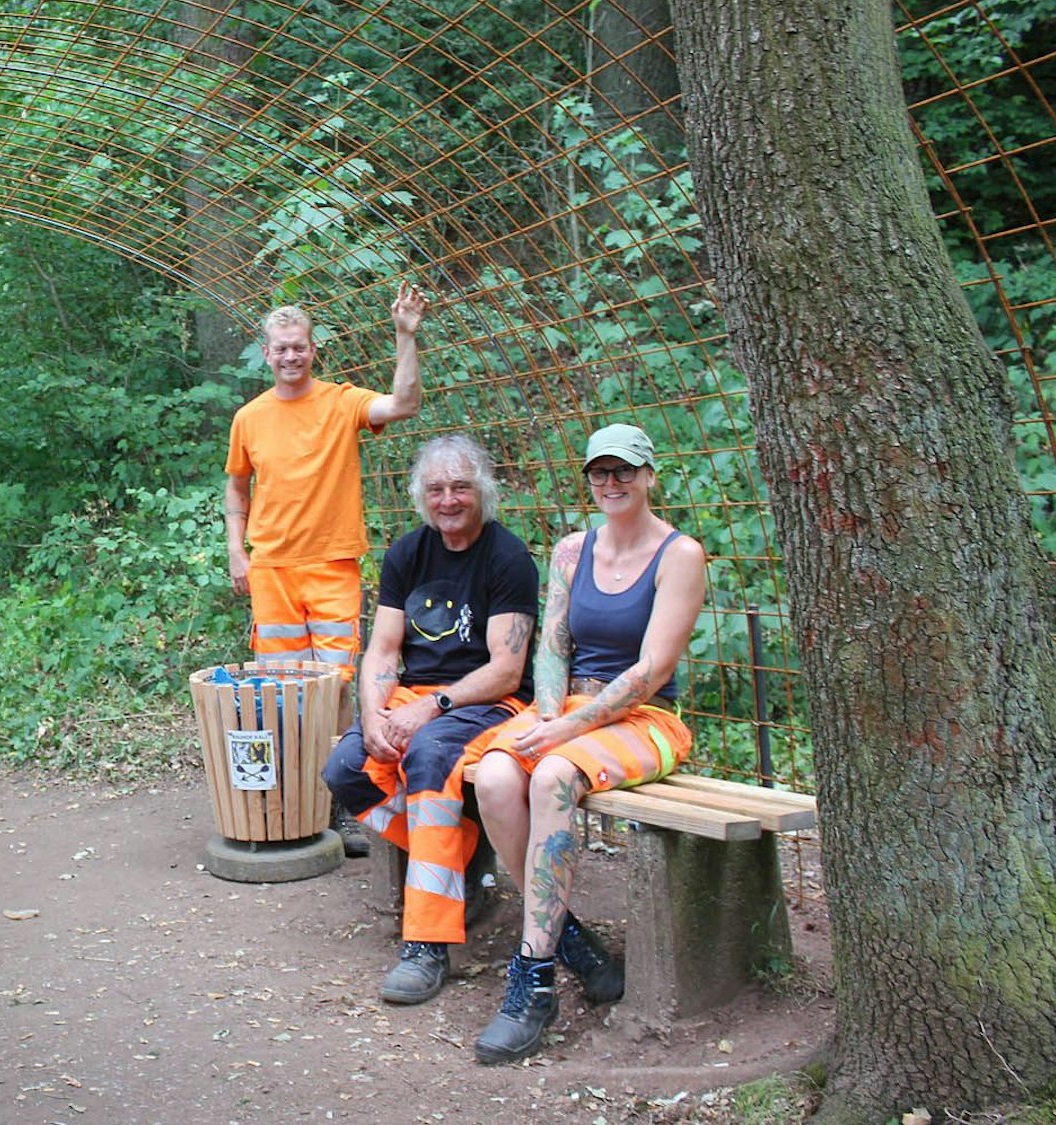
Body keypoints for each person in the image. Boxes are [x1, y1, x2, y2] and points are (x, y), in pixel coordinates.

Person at [469, 422, 707, 1064]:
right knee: (494, 775)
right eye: (600, 472)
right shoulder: (573, 550)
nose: (611, 482)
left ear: (649, 476)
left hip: (645, 718)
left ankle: (534, 979)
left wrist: (566, 733)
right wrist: (549, 716)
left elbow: (652, 669)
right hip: (569, 710)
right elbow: (552, 647)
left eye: (624, 470)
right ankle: (569, 937)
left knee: (551, 776)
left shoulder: (680, 554)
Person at [320, 435, 539, 1005]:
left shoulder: (508, 558)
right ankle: (456, 848)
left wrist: (431, 707)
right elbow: (383, 649)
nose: (448, 500)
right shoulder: (407, 553)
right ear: (421, 495)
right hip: (415, 697)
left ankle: (427, 943)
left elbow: (506, 670)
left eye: (460, 487)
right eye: (436, 489)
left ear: (482, 491)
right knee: (347, 768)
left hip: (486, 703)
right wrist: (373, 713)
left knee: (429, 757)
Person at [223, 283, 427, 686]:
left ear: (313, 350)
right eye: (281, 349)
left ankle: (336, 733)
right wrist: (235, 549)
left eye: (299, 347)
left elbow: (405, 404)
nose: (291, 356)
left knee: (335, 683)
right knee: (279, 686)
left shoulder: (342, 402)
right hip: (272, 568)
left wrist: (405, 334)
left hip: (333, 564)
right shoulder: (249, 417)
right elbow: (237, 485)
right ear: (267, 353)